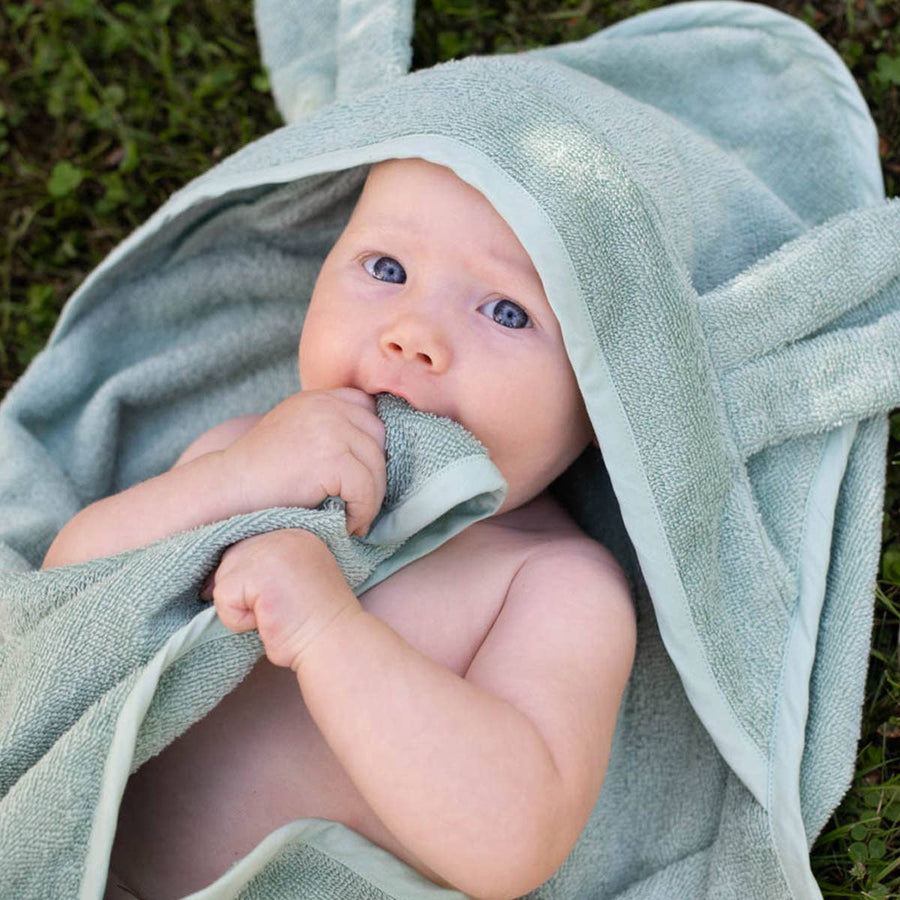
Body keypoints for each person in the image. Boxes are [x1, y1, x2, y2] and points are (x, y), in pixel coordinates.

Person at [43, 157, 637, 900]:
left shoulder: (553, 584)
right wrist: (234, 478)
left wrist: (326, 631)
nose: (413, 334)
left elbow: (516, 842)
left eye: (507, 312)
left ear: (601, 393)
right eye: (387, 268)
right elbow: (61, 606)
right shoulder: (249, 457)